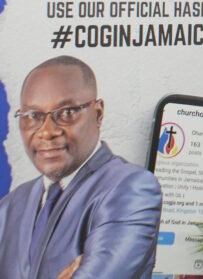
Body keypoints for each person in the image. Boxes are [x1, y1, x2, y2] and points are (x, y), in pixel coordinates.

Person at [0, 56, 162, 279]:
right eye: (33, 116)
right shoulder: (10, 206)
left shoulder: (131, 188)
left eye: (66, 113)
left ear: (98, 113)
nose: (46, 131)